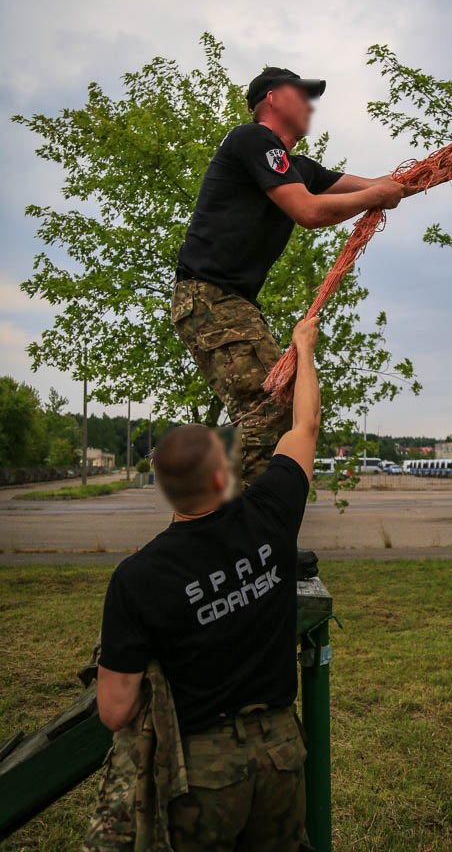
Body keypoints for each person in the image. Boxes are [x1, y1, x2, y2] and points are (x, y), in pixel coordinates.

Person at [173, 66, 452, 485]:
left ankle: (242, 519)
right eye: (300, 94)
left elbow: (387, 184)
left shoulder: (296, 167)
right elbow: (309, 212)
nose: (309, 104)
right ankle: (238, 524)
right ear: (272, 98)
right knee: (273, 411)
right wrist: (377, 195)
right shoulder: (250, 140)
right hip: (209, 299)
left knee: (279, 411)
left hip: (230, 303)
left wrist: (448, 169)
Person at [96, 315, 322, 852]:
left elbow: (115, 710)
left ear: (167, 492)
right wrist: (304, 348)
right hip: (282, 754)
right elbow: (305, 427)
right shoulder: (271, 512)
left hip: (201, 773)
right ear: (224, 476)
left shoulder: (138, 578)